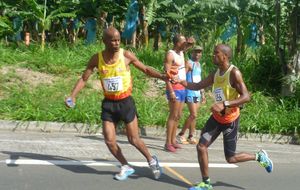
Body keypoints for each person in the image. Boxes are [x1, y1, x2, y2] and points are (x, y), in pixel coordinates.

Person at [65, 27, 166, 181]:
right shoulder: (96, 58)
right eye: (112, 40)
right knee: (109, 140)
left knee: (134, 140)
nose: (116, 43)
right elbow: (84, 78)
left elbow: (145, 69)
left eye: (118, 39)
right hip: (109, 104)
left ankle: (152, 161)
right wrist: (72, 96)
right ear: (104, 41)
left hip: (126, 103)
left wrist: (162, 76)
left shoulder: (126, 55)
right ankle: (125, 165)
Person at [179, 44, 273, 190]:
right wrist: (182, 82)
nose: (213, 56)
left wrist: (225, 104)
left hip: (230, 120)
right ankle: (206, 183)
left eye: (216, 53)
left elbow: (246, 97)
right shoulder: (215, 73)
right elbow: (198, 86)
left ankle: (259, 157)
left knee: (231, 158)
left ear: (225, 56)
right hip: (216, 118)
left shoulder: (234, 73)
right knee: (201, 146)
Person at [164, 34, 195, 152]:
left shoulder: (181, 52)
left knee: (178, 116)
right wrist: (170, 90)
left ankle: (173, 141)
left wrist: (190, 41)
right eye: (183, 42)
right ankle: (167, 143)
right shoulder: (170, 55)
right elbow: (166, 75)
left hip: (182, 87)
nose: (185, 44)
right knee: (173, 115)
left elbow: (190, 44)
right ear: (177, 43)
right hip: (174, 88)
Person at [176, 46, 206, 145]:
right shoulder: (189, 63)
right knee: (193, 114)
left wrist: (203, 92)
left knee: (194, 116)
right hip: (189, 91)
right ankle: (180, 134)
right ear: (192, 53)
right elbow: (182, 76)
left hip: (197, 92)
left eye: (200, 52)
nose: (198, 54)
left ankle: (191, 136)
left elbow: (199, 79)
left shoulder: (199, 64)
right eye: (196, 52)